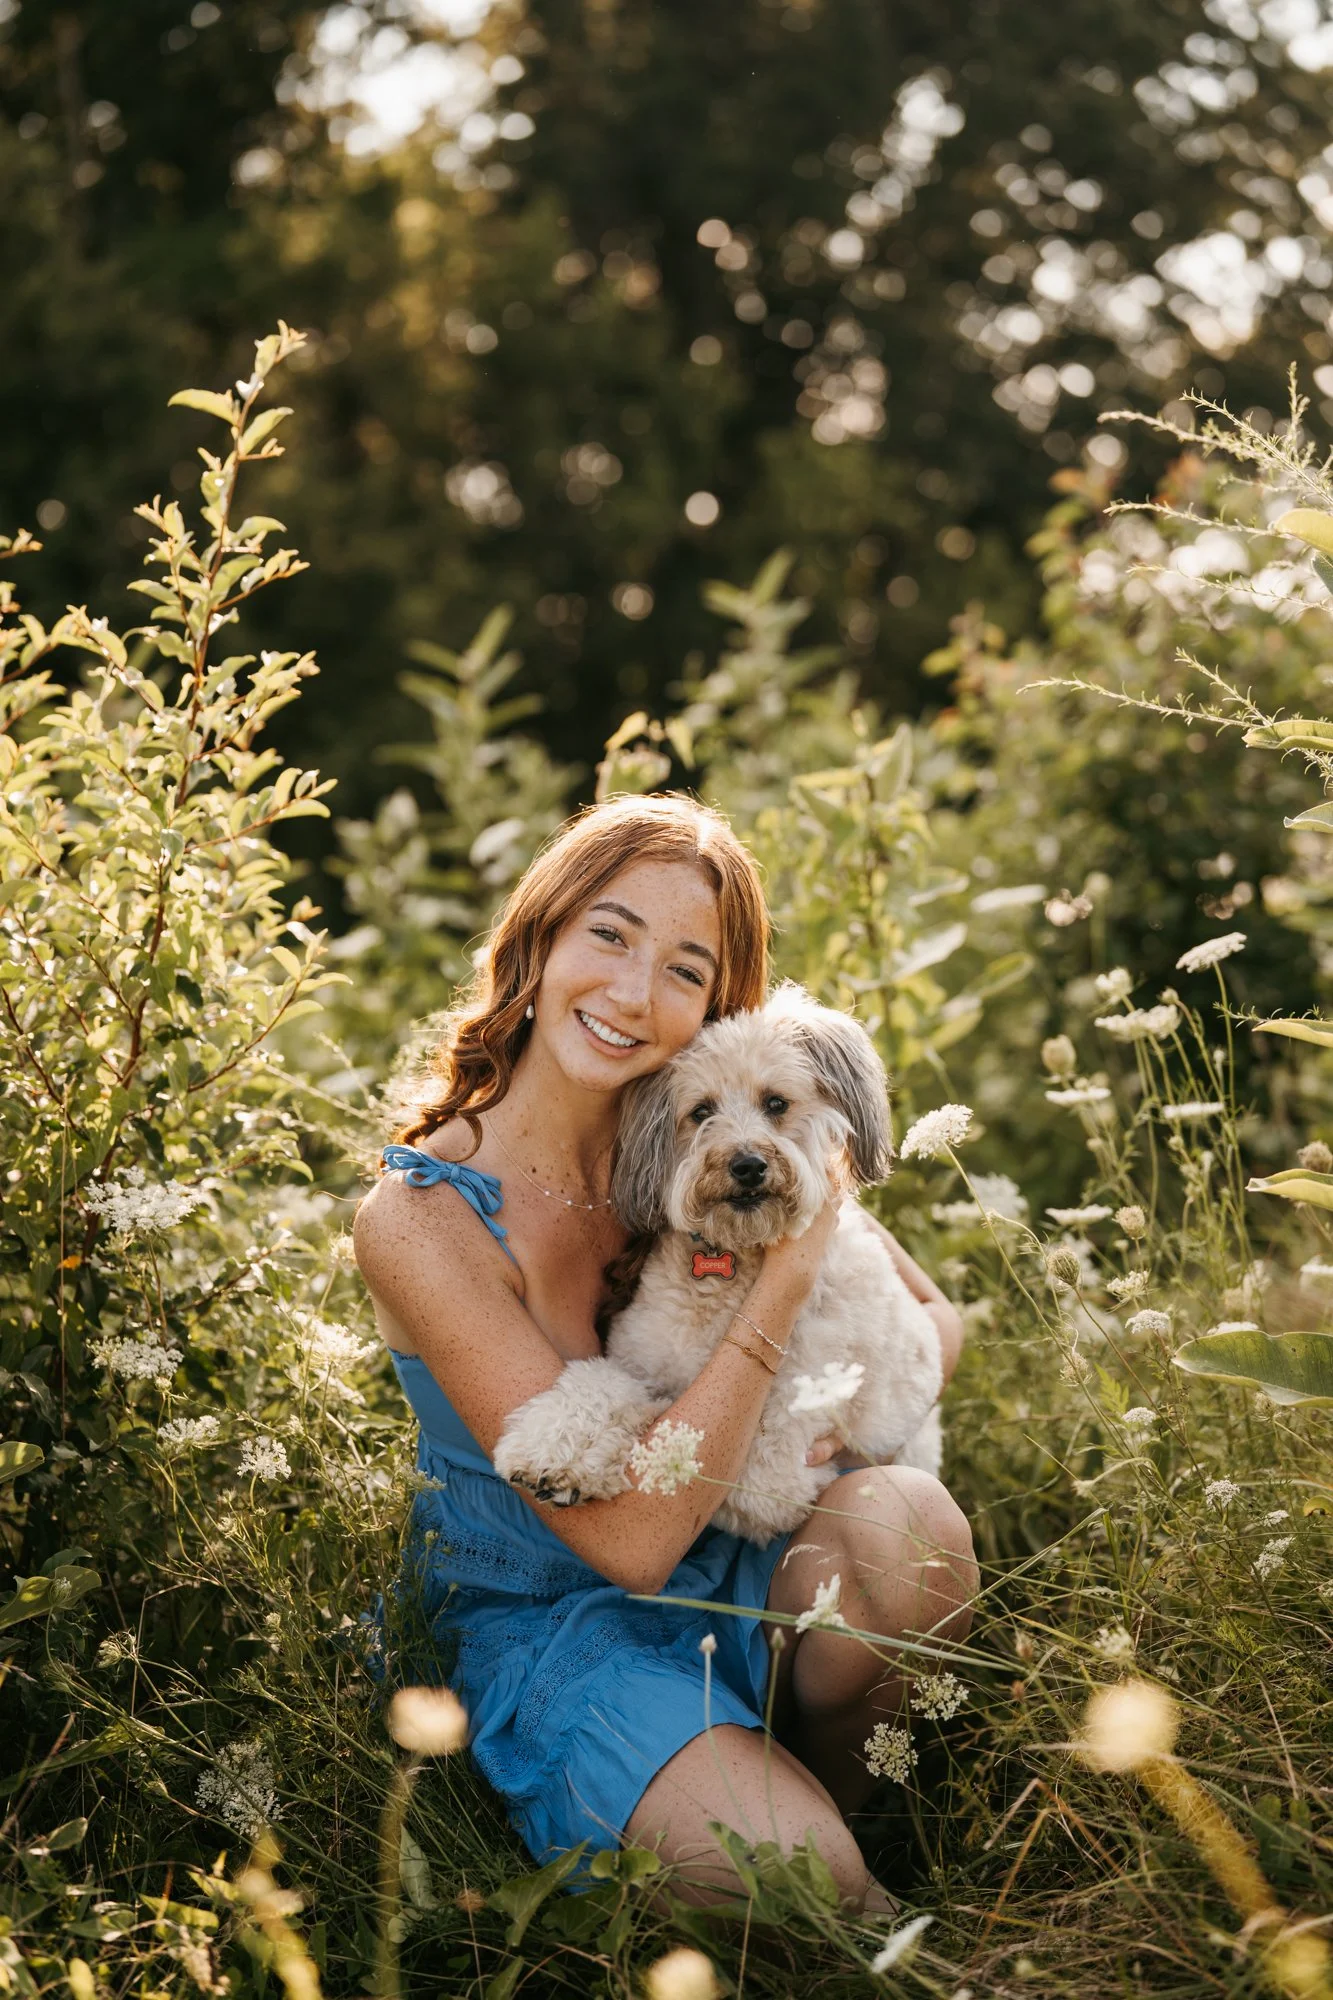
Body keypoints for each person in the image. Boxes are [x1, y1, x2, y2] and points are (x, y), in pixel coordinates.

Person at [354, 792, 976, 1911]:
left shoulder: (725, 1135)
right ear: (539, 933)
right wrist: (779, 1286)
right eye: (609, 933)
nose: (636, 993)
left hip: (740, 1551)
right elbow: (634, 1540)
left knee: (912, 1531)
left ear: (714, 1009)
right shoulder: (420, 1216)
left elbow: (938, 1322)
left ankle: (849, 1801)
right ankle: (816, 1859)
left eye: (686, 970)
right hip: (554, 1614)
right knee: (797, 1879)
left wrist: (840, 1405)